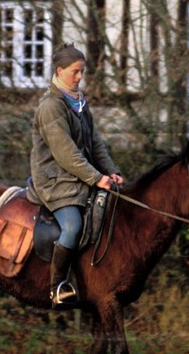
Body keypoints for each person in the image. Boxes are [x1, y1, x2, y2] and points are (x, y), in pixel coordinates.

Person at [29, 44, 124, 307]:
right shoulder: (51, 107)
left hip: (79, 178)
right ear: (60, 71)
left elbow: (95, 143)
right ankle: (57, 286)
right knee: (72, 226)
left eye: (82, 71)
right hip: (56, 182)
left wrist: (111, 171)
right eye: (75, 72)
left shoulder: (79, 102)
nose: (80, 77)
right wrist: (96, 178)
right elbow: (65, 153)